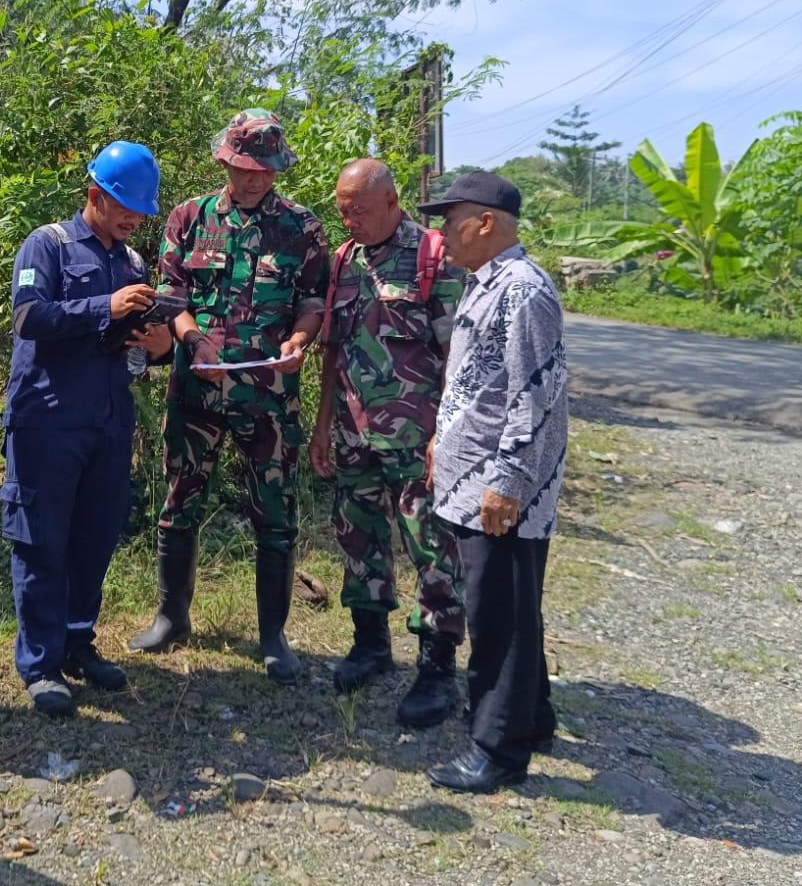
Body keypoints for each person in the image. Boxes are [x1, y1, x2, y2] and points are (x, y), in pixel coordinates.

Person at [130, 109, 329, 683]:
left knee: (276, 513)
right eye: (244, 168)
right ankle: (172, 617)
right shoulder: (190, 218)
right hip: (197, 389)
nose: (254, 180)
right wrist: (192, 341)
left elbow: (314, 301)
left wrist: (299, 340)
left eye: (265, 171)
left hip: (269, 397)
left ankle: (274, 636)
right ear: (224, 160)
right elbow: (173, 292)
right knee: (179, 504)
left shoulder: (302, 227)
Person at [0, 141, 174, 717]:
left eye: (140, 213)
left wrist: (154, 348)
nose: (132, 220)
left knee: (93, 538)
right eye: (123, 207)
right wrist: (106, 306)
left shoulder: (133, 263)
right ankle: (41, 664)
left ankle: (78, 643)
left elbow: (127, 349)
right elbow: (29, 318)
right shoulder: (47, 244)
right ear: (94, 195)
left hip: (107, 422)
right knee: (42, 540)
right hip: (47, 421)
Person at [417, 171, 569, 792]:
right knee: (513, 607)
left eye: (450, 222)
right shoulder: (488, 284)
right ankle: (530, 720)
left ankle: (496, 751)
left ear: (485, 223)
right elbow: (478, 386)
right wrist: (440, 440)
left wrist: (508, 480)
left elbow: (538, 397)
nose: (441, 235)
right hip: (471, 477)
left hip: (499, 490)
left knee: (497, 619)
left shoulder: (524, 291)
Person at [309, 159, 467, 727]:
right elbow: (333, 348)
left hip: (417, 438)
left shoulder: (435, 256)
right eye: (342, 209)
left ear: (393, 201)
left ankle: (437, 667)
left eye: (359, 208)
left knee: (431, 546)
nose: (348, 218)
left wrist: (446, 437)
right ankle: (370, 644)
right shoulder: (345, 262)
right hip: (355, 434)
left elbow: (458, 359)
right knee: (358, 537)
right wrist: (323, 422)